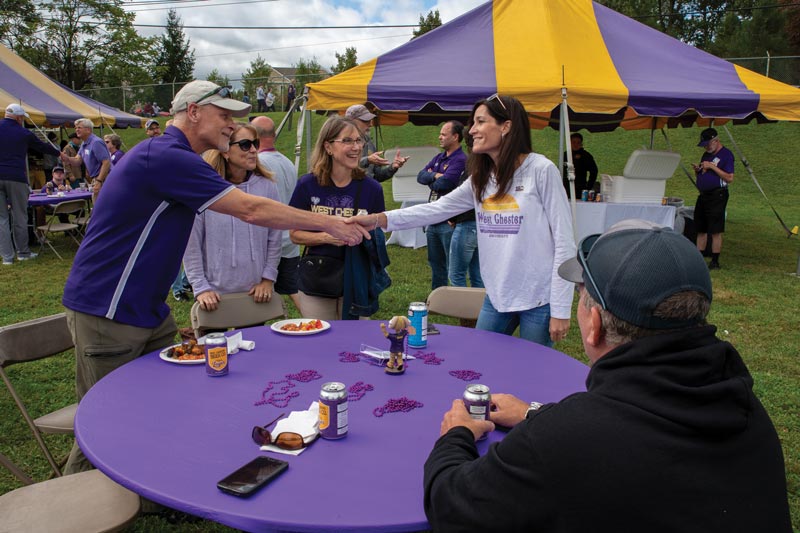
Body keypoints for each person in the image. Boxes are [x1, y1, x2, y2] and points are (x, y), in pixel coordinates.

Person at [61, 80, 369, 474]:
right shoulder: (166, 156)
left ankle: (143, 490)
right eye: (223, 115)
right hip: (109, 308)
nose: (231, 125)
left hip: (146, 310)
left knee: (150, 408)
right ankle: (74, 501)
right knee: (104, 420)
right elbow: (251, 209)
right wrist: (333, 224)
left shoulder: (177, 158)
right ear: (192, 112)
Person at [422, 219, 792, 532]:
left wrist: (457, 434)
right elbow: (636, 424)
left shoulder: (564, 441)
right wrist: (534, 414)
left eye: (581, 297)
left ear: (594, 325)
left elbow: (450, 506)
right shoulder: (744, 409)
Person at [353, 95, 575, 346]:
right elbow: (437, 209)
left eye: (480, 122)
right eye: (473, 123)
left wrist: (561, 308)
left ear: (506, 126)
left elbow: (565, 242)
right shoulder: (482, 177)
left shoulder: (541, 170)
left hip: (538, 299)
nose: (472, 130)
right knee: (481, 361)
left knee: (534, 373)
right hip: (497, 297)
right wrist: (380, 219)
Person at [288, 116, 389, 321]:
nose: (356, 147)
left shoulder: (372, 189)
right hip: (318, 278)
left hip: (358, 277)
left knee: (354, 342)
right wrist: (328, 236)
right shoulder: (307, 185)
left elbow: (381, 232)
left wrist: (365, 234)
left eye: (359, 140)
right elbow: (295, 235)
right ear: (328, 147)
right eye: (347, 141)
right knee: (320, 341)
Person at [184, 124, 282, 318]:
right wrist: (201, 287)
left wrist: (267, 279)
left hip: (254, 293)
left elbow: (275, 236)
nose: (254, 150)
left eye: (255, 143)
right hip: (213, 295)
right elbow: (191, 243)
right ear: (225, 151)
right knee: (215, 349)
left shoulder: (267, 187)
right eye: (245, 145)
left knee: (254, 347)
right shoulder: (205, 190)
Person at [252, 115, 302, 313]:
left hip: (268, 240)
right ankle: (313, 320)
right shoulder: (287, 162)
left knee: (259, 293)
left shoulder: (259, 163)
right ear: (274, 135)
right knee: (292, 289)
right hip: (289, 238)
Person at [0, 103, 59, 265]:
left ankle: (7, 257)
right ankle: (23, 252)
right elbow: (42, 146)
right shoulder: (23, 132)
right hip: (16, 177)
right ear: (19, 118)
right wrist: (60, 154)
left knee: (1, 219)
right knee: (19, 216)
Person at [416, 120, 468, 290]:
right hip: (433, 218)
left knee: (452, 264)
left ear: (455, 137)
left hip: (449, 220)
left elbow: (444, 184)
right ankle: (437, 297)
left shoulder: (460, 160)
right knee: (435, 262)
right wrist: (435, 176)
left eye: (444, 134)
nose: (440, 137)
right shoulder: (439, 157)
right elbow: (420, 176)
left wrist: (433, 177)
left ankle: (456, 300)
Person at [691, 127, 734, 270]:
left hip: (717, 195)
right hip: (704, 195)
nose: (706, 148)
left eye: (708, 144)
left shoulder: (726, 155)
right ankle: (698, 257)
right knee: (700, 228)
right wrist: (698, 171)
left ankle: (715, 261)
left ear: (716, 141)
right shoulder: (705, 155)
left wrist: (712, 167)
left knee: (715, 229)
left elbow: (729, 178)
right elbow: (704, 174)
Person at [345, 104, 408, 182]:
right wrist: (367, 160)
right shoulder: (341, 142)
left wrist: (393, 167)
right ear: (351, 121)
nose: (371, 124)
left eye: (370, 120)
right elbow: (342, 165)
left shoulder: (369, 143)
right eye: (365, 120)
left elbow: (377, 176)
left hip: (367, 191)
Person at [60, 118, 111, 200]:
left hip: (105, 179)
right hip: (97, 178)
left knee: (103, 206)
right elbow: (77, 161)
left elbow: (106, 162)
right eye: (76, 128)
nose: (76, 130)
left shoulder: (96, 142)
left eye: (79, 128)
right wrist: (67, 159)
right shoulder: (84, 143)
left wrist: (99, 181)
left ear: (88, 130)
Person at [562, 132, 598, 198]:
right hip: (566, 188)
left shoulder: (586, 156)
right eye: (573, 142)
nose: (576, 144)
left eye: (578, 142)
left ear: (581, 144)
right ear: (570, 143)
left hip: (580, 189)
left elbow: (594, 171)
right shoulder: (564, 155)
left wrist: (588, 186)